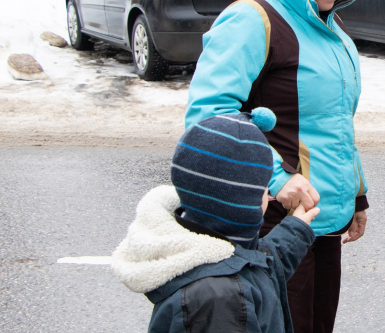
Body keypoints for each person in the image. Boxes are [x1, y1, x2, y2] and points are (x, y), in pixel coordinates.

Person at [183, 0, 368, 333]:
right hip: (271, 224)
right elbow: (208, 117)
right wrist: (278, 179)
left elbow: (335, 121)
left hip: (320, 220)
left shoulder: (327, 21)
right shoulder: (252, 20)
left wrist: (356, 194)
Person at [111, 109, 319, 333]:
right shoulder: (220, 298)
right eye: (263, 187)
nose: (268, 193)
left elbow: (262, 265)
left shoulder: (218, 254)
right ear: (244, 201)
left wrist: (295, 229)